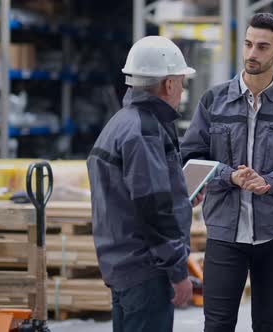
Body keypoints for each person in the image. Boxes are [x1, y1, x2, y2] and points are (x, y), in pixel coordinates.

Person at [180, 13, 273, 332]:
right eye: (248, 44)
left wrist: (269, 183)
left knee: (267, 324)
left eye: (261, 47)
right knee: (217, 324)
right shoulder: (214, 101)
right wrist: (228, 176)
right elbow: (190, 158)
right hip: (224, 231)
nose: (252, 54)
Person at [87, 35, 201, 332]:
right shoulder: (145, 130)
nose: (181, 89)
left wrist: (182, 197)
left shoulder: (120, 122)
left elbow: (131, 196)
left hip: (123, 265)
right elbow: (153, 208)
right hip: (147, 272)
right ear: (168, 85)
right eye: (181, 81)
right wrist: (178, 272)